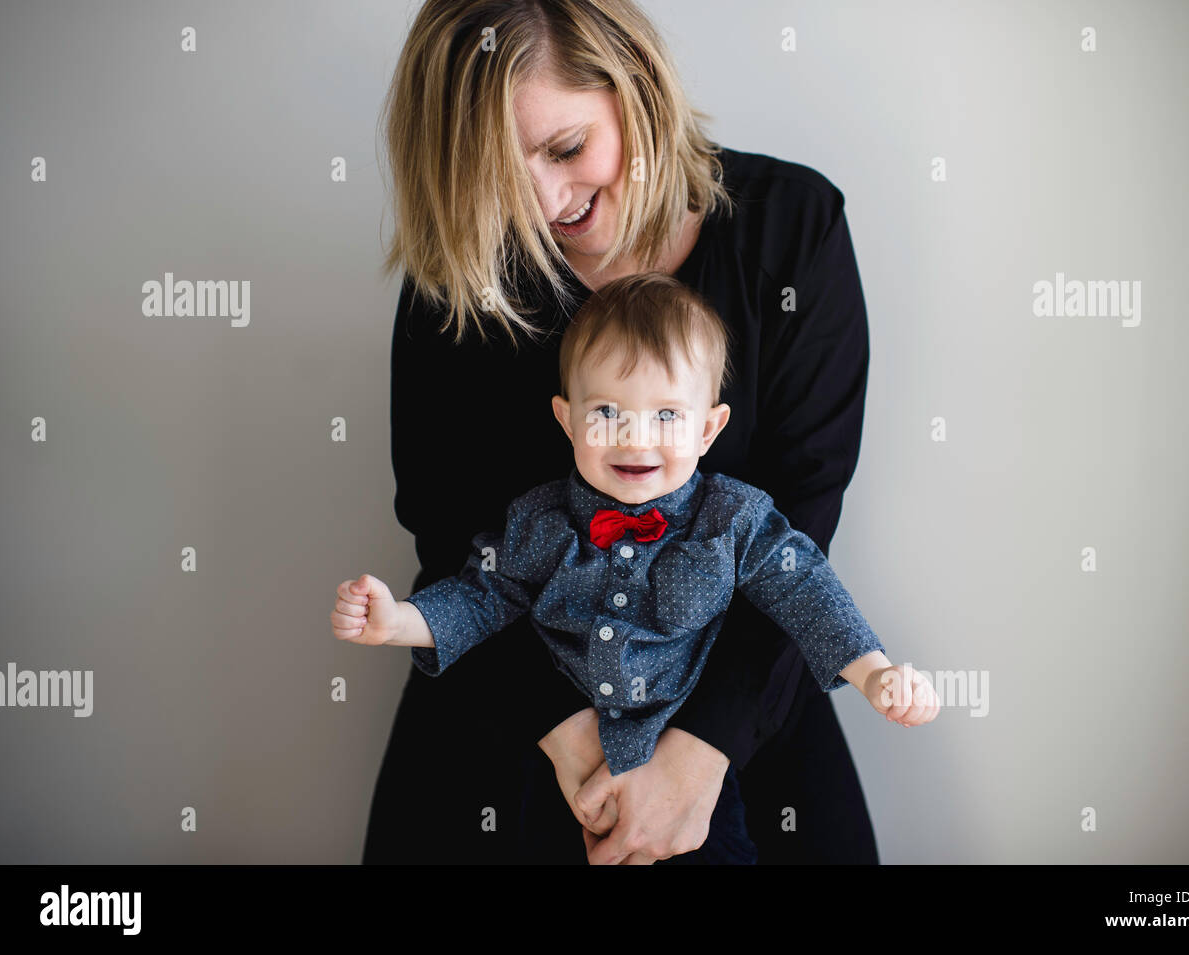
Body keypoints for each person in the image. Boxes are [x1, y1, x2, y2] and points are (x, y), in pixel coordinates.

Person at [364, 0, 889, 864]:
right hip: (513, 717)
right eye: (497, 170)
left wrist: (695, 760)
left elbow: (803, 524)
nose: (544, 201)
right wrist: (580, 752)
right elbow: (448, 532)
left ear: (635, 87)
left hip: (744, 715)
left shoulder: (791, 229)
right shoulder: (456, 269)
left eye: (566, 148)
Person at [335, 273, 939, 864]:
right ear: (566, 419)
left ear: (708, 429)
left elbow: (806, 590)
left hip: (687, 779)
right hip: (560, 781)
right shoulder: (539, 521)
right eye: (606, 412)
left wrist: (873, 673)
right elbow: (481, 597)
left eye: (667, 416)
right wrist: (400, 622)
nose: (634, 438)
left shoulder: (734, 520)